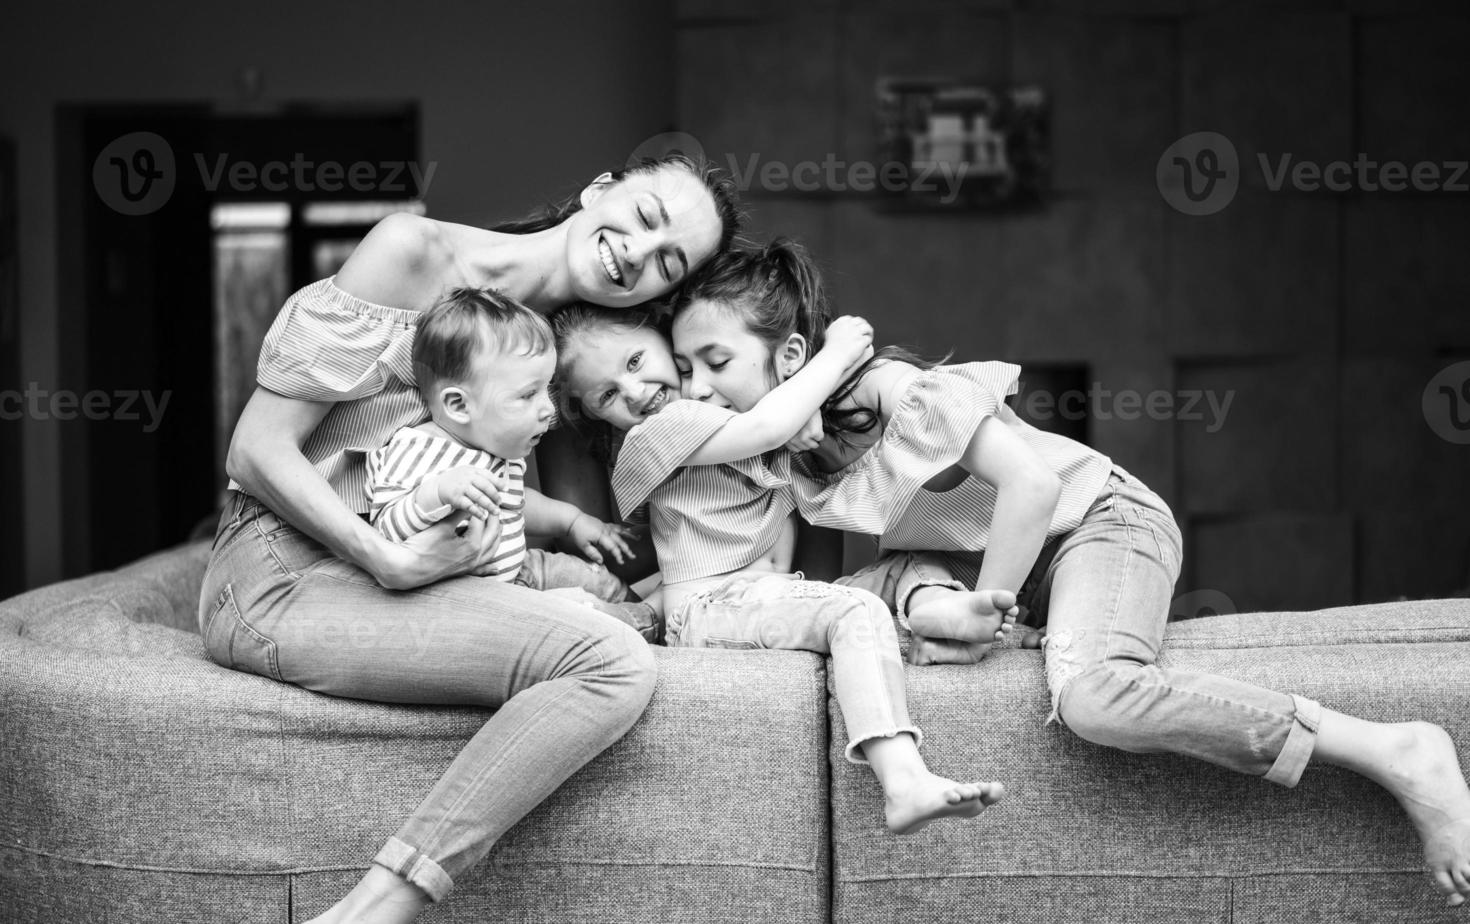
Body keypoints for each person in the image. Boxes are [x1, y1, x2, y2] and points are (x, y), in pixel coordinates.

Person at [668, 237, 1470, 908]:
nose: (695, 386)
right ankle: (953, 621)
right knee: (859, 598)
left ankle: (1394, 747)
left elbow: (1035, 485)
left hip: (1099, 522)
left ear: (794, 354)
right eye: (683, 368)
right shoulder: (790, 458)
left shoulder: (895, 393)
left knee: (1093, 696)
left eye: (714, 361)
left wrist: (994, 604)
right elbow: (828, 591)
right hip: (987, 569)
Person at [202, 152, 742, 924]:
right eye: (647, 217)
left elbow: (568, 530)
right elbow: (253, 452)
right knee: (612, 664)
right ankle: (369, 913)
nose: (639, 252)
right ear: (600, 190)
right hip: (275, 574)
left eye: (669, 261)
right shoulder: (412, 253)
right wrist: (384, 557)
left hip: (407, 573)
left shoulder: (550, 361)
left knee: (617, 622)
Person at [554, 303, 1006, 835]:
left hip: (768, 596)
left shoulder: (736, 419)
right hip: (710, 611)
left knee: (907, 563)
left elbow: (772, 421)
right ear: (594, 413)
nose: (632, 391)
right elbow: (769, 426)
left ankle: (932, 610)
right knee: (854, 609)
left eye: (635, 361)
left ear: (663, 343)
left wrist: (802, 411)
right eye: (606, 395)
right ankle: (903, 780)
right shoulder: (653, 436)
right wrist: (836, 355)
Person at [365, 286, 663, 641]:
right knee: (576, 615)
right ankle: (640, 627)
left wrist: (572, 522)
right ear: (459, 406)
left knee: (594, 578)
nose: (549, 409)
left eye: (546, 391)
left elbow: (517, 502)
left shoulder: (495, 449)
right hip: (477, 599)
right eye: (528, 394)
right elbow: (386, 526)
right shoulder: (418, 447)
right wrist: (437, 493)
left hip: (521, 568)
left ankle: (642, 617)